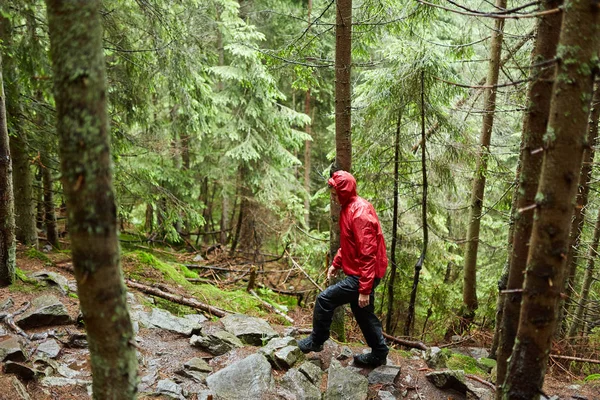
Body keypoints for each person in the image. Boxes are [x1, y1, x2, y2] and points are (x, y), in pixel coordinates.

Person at [298, 170, 389, 367]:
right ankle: (380, 352)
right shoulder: (349, 208)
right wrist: (336, 263)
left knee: (325, 299)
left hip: (364, 273)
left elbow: (367, 252)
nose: (333, 197)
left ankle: (316, 341)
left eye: (334, 193)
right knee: (363, 313)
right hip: (363, 272)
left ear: (344, 191)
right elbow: (349, 244)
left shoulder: (359, 213)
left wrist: (364, 288)